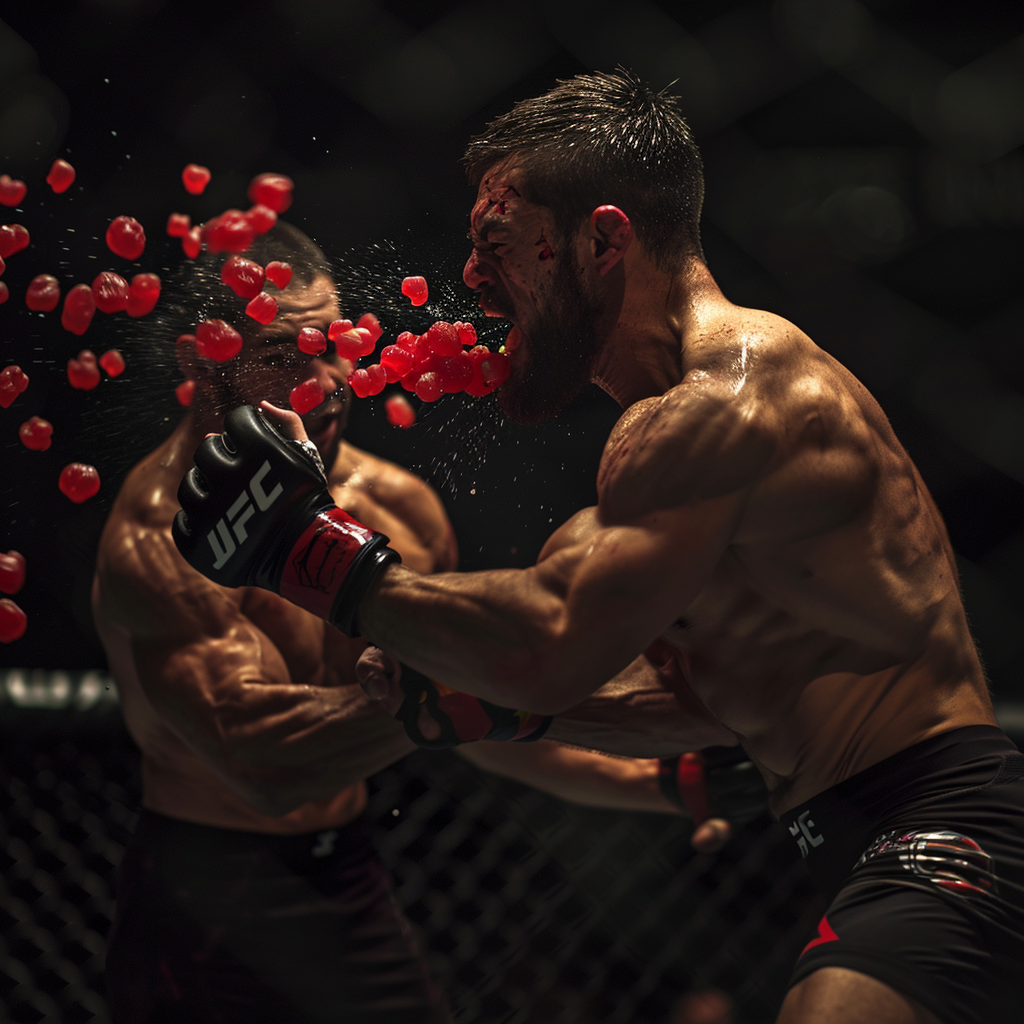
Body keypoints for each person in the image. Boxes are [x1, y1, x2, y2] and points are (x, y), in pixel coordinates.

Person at [172, 72, 1024, 1024]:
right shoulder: (667, 449)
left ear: (603, 240)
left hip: (944, 827)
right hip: (853, 834)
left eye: (497, 243)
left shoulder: (732, 400)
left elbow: (550, 644)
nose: (468, 277)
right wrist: (493, 711)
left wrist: (316, 559)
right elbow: (705, 697)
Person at [94, 221, 753, 1024]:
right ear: (202, 363)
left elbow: (471, 718)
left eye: (332, 343)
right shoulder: (155, 537)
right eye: (281, 356)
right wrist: (457, 691)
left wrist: (664, 782)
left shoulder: (395, 510)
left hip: (349, 883)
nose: (324, 383)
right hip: (203, 901)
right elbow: (260, 765)